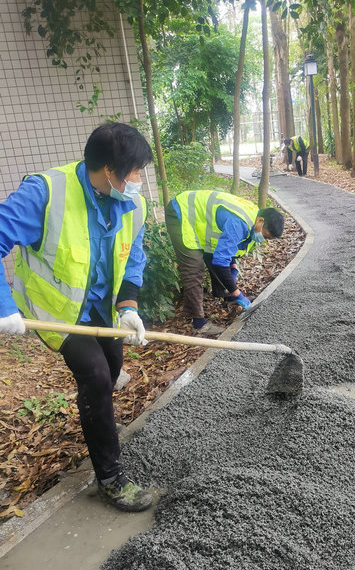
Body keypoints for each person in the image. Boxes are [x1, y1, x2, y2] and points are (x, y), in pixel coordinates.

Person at [0, 123, 154, 512]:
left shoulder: (133, 203)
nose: (139, 179)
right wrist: (4, 307)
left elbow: (133, 255)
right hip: (57, 312)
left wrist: (129, 305)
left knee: (114, 363)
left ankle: (100, 421)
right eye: (134, 171)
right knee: (97, 376)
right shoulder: (45, 194)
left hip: (103, 309)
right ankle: (110, 478)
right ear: (108, 170)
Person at [165, 190, 285, 336]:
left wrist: (233, 268)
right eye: (265, 235)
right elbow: (221, 261)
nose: (263, 239)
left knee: (219, 260)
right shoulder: (239, 223)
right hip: (181, 213)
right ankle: (198, 324)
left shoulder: (253, 216)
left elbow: (229, 249)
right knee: (194, 270)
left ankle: (225, 294)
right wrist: (237, 293)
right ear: (260, 221)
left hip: (197, 218)